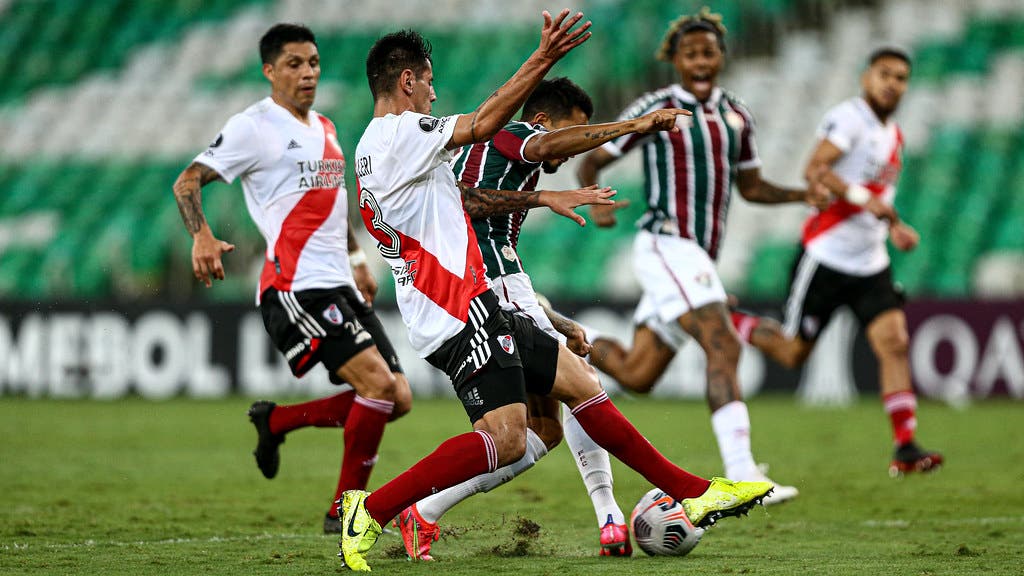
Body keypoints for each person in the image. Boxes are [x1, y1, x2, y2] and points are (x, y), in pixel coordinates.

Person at [337, 11, 773, 573]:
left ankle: (694, 490)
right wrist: (546, 58)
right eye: (428, 83)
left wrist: (542, 201)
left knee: (580, 382)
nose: (433, 93)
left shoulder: (376, 146)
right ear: (407, 82)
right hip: (454, 308)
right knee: (507, 439)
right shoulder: (400, 133)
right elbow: (487, 122)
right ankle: (371, 509)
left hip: (473, 299)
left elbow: (467, 193)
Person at [393, 77, 690, 560]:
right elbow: (549, 145)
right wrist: (634, 125)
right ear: (544, 120)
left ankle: (423, 511)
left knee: (540, 429)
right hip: (491, 286)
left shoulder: (492, 158)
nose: (572, 150)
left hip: (489, 285)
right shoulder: (513, 134)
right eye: (576, 131)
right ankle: (610, 517)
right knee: (581, 387)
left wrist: (552, 316)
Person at [576, 8, 827, 505]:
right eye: (689, 53)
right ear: (674, 59)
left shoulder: (736, 114)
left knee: (637, 374)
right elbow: (596, 155)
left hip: (697, 257)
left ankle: (575, 346)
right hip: (666, 241)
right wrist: (594, 200)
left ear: (721, 57)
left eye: (708, 52)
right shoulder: (657, 105)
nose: (700, 60)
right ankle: (743, 476)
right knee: (724, 344)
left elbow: (751, 185)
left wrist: (802, 195)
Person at [171, 23, 412, 533]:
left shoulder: (323, 126)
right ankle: (344, 513)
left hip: (339, 280)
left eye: (314, 63)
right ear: (269, 71)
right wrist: (202, 236)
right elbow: (187, 180)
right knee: (377, 383)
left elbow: (335, 201)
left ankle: (276, 421)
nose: (308, 73)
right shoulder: (252, 127)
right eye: (295, 64)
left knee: (399, 398)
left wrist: (358, 260)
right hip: (294, 285)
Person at [728, 46, 943, 476]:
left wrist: (894, 225)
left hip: (870, 263)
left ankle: (905, 447)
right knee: (792, 355)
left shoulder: (893, 134)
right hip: (825, 258)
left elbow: (880, 200)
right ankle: (729, 319)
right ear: (866, 77)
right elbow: (816, 170)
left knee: (894, 343)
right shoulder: (850, 118)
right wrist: (867, 201)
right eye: (884, 73)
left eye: (901, 77)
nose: (892, 83)